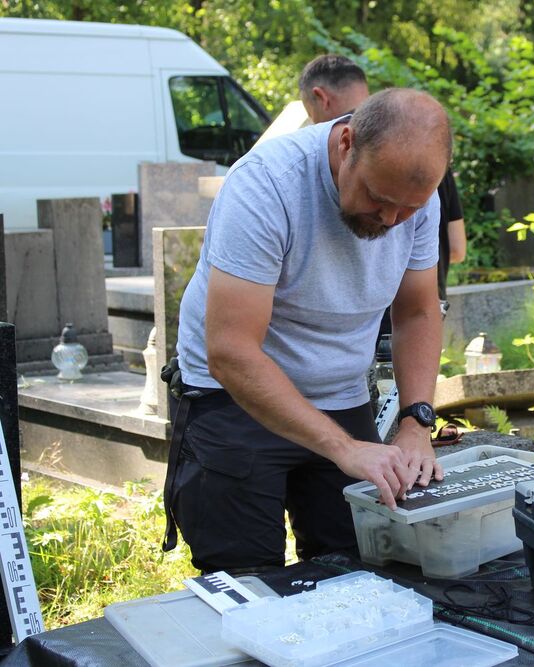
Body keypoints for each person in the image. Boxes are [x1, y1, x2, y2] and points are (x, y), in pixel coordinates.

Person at [164, 88, 449, 573]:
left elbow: (419, 313)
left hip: (339, 395)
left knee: (361, 562)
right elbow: (231, 350)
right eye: (378, 199)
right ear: (345, 144)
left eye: (408, 210)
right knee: (248, 578)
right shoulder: (266, 184)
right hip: (234, 399)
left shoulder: (414, 198)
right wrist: (344, 448)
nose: (390, 220)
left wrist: (415, 423)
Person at [300, 55, 466, 306]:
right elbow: (457, 248)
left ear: (320, 98)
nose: (389, 219)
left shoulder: (378, 148)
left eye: (413, 207)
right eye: (377, 196)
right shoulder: (427, 144)